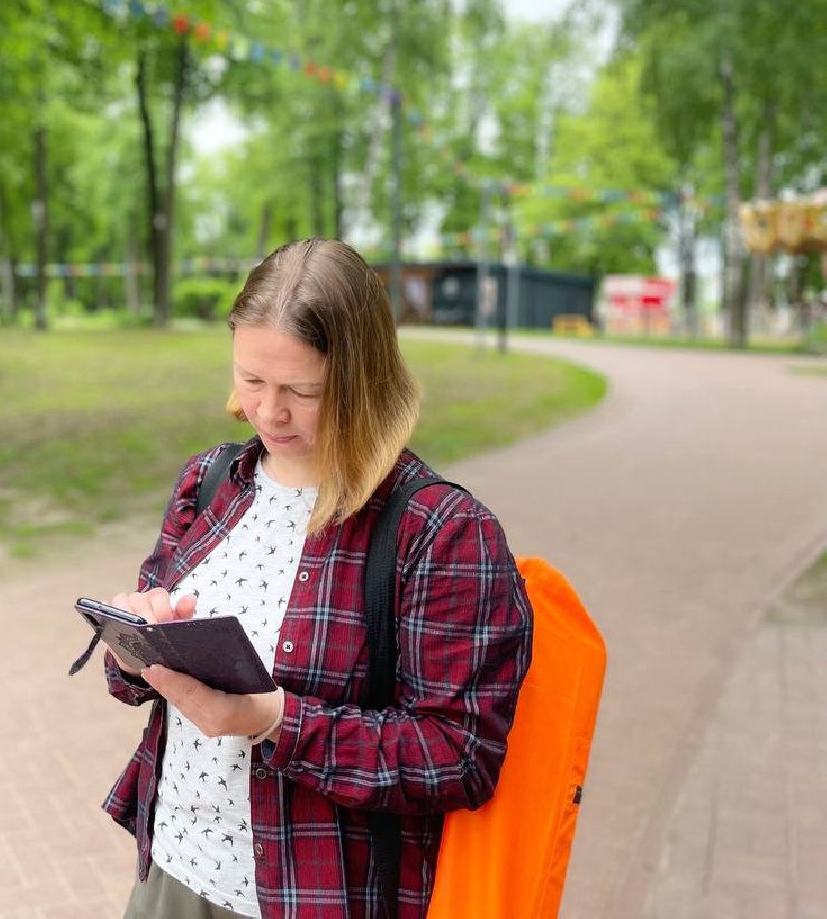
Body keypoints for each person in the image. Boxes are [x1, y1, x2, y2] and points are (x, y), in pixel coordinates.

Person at [98, 239, 533, 919]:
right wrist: (139, 644)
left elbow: (460, 755)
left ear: (366, 382)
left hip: (322, 896)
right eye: (251, 381)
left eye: (303, 391)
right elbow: (133, 679)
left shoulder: (440, 532)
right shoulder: (210, 483)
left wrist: (273, 720)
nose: (270, 414)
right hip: (174, 871)